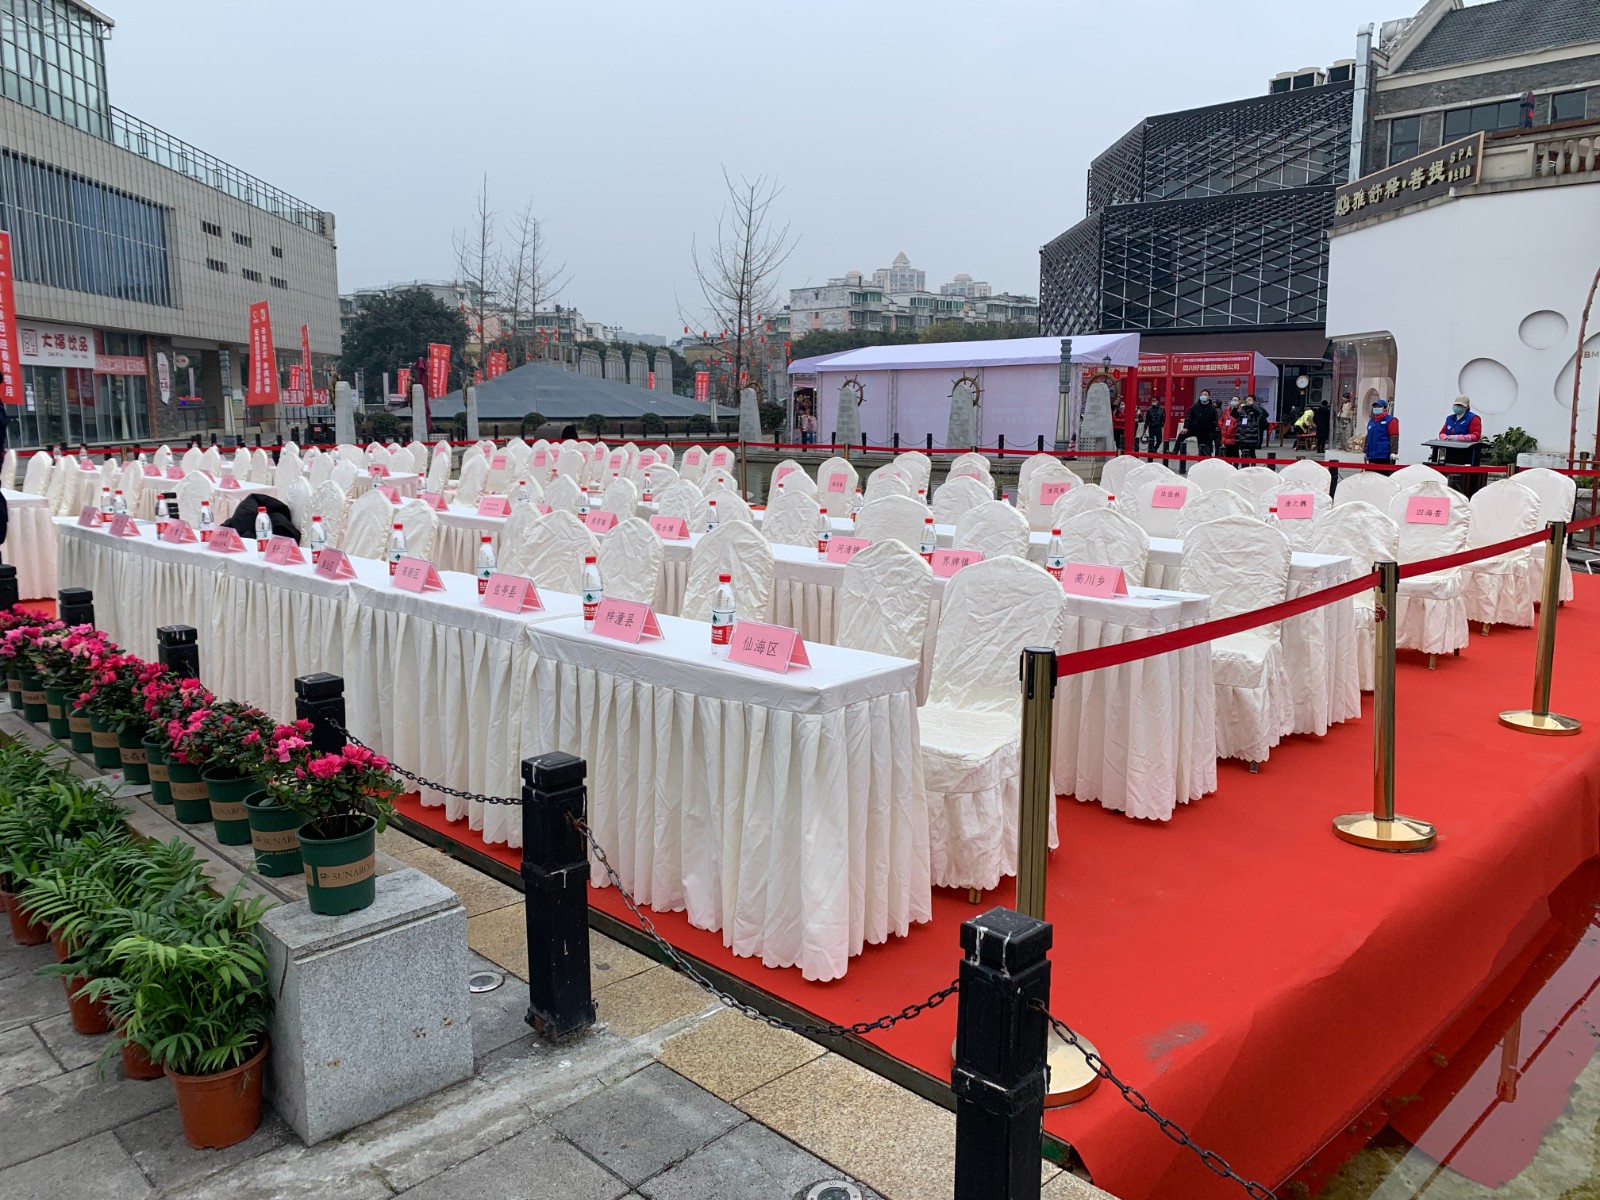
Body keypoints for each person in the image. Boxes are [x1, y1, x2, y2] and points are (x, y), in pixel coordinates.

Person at [1177, 391, 1219, 472]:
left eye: (1205, 395)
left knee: (1204, 448)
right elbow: (1188, 417)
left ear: (1209, 397)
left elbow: (1215, 421)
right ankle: (1175, 451)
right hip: (1194, 428)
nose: (1203, 396)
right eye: (1202, 394)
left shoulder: (1212, 408)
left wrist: (1211, 430)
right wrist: (1186, 427)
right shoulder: (1194, 406)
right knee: (1182, 435)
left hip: (1206, 431)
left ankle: (1204, 466)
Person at [1364, 400, 1398, 465]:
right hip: (1371, 456)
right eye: (1375, 407)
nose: (1376, 408)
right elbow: (1368, 437)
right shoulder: (1371, 421)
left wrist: (1393, 452)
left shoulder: (1391, 420)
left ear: (1384, 408)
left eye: (1379, 407)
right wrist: (1365, 451)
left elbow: (1394, 437)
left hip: (1384, 456)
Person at [1235, 394, 1268, 459]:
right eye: (1247, 400)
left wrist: (1252, 405)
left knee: (1252, 453)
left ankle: (1253, 464)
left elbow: (1261, 413)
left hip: (1251, 434)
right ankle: (1244, 464)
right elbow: (1235, 415)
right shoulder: (1243, 409)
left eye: (1250, 400)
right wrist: (1235, 407)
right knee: (1243, 453)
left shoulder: (1256, 408)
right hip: (1242, 433)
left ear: (1254, 401)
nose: (1248, 401)